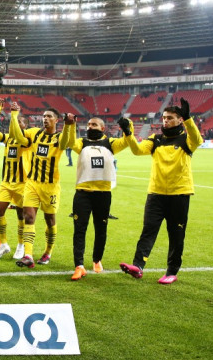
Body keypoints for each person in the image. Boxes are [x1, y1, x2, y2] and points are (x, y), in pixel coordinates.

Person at [120, 99, 202, 284]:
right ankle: (138, 266)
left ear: (179, 120)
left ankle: (172, 272)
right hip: (156, 194)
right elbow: (137, 150)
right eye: (164, 118)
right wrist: (128, 133)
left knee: (176, 235)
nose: (166, 121)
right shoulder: (156, 139)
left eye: (170, 118)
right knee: (148, 231)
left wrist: (189, 119)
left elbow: (197, 140)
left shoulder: (186, 140)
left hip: (179, 194)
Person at [67, 116, 133, 280]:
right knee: (79, 230)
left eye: (94, 124)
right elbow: (70, 142)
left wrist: (127, 127)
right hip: (82, 193)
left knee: (101, 229)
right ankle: (79, 266)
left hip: (103, 193)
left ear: (103, 128)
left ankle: (97, 260)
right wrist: (71, 125)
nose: (90, 126)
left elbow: (127, 141)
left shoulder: (110, 143)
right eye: (89, 124)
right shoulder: (82, 143)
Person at [8, 105, 73, 268]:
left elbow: (65, 144)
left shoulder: (59, 137)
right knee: (29, 217)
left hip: (50, 186)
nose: (45, 118)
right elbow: (18, 137)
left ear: (56, 120)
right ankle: (28, 255)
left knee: (50, 220)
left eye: (49, 116)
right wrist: (14, 115)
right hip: (32, 183)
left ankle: (48, 252)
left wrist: (68, 125)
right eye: (44, 116)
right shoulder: (34, 133)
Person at [0, 99, 30, 260]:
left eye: (20, 122)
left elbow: (19, 137)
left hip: (22, 184)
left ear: (25, 126)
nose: (15, 123)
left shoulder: (26, 140)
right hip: (6, 183)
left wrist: (14, 115)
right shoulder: (8, 139)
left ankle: (21, 244)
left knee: (21, 215)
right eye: (14, 122)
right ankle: (4, 244)